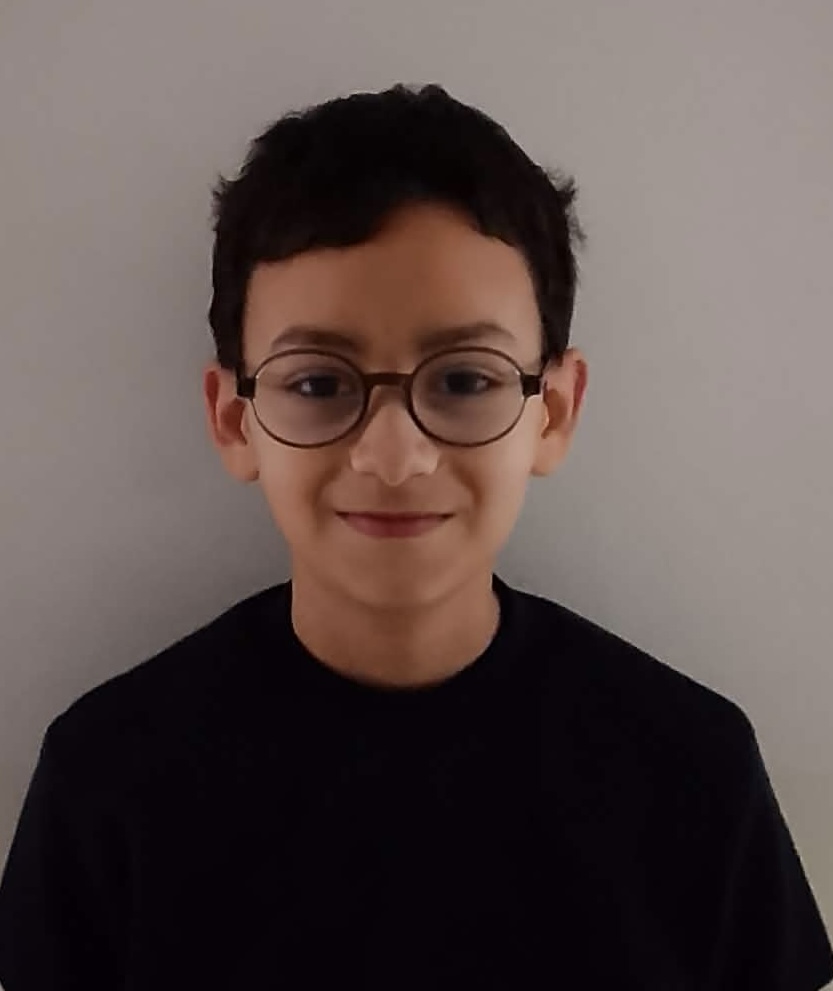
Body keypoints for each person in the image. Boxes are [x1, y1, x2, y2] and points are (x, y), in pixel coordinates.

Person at [0, 82, 831, 991]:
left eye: (464, 380)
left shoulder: (692, 774)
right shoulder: (108, 780)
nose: (393, 457)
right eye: (317, 383)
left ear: (553, 412)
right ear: (234, 419)